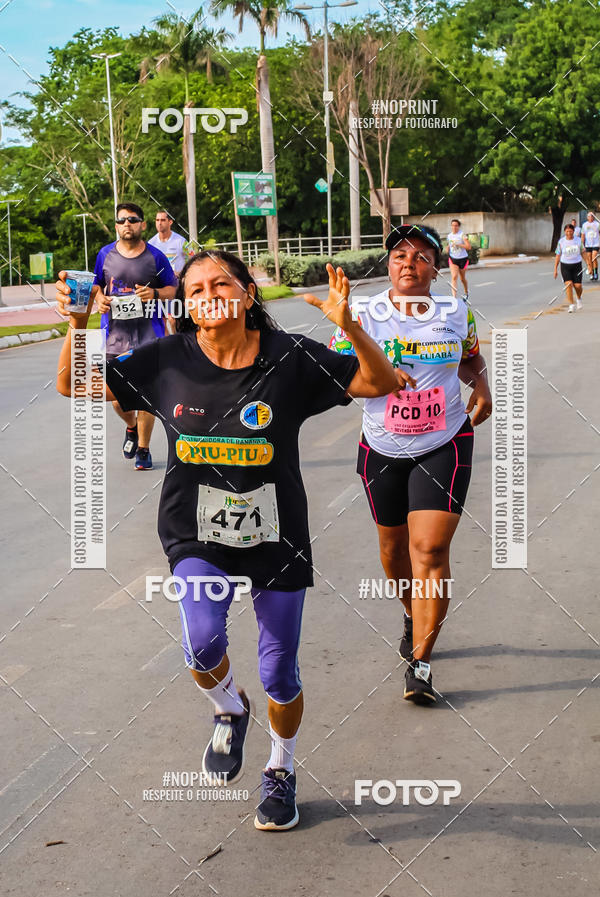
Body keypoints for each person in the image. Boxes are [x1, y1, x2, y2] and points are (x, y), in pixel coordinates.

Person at [55, 251, 398, 831]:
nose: (208, 293)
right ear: (184, 303)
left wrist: (351, 326)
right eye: (195, 288)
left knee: (280, 674)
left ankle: (280, 771)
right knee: (202, 641)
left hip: (277, 534)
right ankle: (228, 709)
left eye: (221, 283)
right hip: (194, 533)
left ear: (246, 293)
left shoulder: (286, 356)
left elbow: (379, 381)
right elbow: (73, 384)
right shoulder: (165, 359)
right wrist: (79, 325)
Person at [328, 224, 492, 704]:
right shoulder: (361, 313)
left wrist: (480, 383)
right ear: (389, 264)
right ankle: (410, 611)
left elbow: (470, 358)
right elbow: (339, 378)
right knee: (395, 553)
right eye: (400, 254)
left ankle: (420, 663)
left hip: (444, 441)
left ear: (435, 268)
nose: (408, 262)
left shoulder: (456, 311)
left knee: (430, 552)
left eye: (421, 256)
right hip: (381, 447)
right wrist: (375, 375)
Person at [90, 202, 177, 470]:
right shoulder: (105, 254)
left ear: (142, 224)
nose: (127, 224)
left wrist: (155, 294)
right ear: (116, 226)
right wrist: (100, 297)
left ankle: (143, 448)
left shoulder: (155, 257)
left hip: (150, 337)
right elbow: (95, 284)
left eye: (132, 219)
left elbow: (173, 288)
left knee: (147, 398)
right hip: (114, 337)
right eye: (121, 220)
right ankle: (131, 426)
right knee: (117, 398)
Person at [554, 222, 584, 313]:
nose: (569, 233)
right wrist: (555, 269)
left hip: (577, 265)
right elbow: (558, 255)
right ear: (564, 232)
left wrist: (589, 265)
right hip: (565, 265)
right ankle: (571, 304)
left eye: (570, 231)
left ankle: (579, 298)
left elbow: (583, 253)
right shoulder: (561, 241)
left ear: (573, 231)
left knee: (578, 286)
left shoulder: (578, 240)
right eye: (567, 231)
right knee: (569, 285)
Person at [148, 210, 188, 276]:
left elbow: (193, 261)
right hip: (160, 284)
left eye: (163, 220)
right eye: (157, 220)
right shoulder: (151, 244)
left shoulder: (181, 241)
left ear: (170, 222)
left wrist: (180, 274)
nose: (159, 223)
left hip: (178, 283)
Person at [445, 219, 471, 300]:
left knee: (462, 279)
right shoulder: (449, 236)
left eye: (456, 225)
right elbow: (449, 245)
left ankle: (466, 292)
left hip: (463, 259)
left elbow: (469, 247)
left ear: (458, 226)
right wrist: (448, 248)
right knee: (454, 277)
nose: (454, 227)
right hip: (453, 259)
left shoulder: (462, 235)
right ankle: (454, 298)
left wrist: (459, 244)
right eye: (452, 225)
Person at [581, 211, 600, 281]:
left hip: (596, 244)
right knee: (589, 259)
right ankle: (591, 273)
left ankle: (595, 273)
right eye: (589, 216)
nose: (591, 217)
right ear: (587, 217)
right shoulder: (584, 225)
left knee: (594, 258)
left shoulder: (597, 224)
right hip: (588, 244)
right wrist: (582, 245)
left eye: (592, 216)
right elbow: (582, 235)